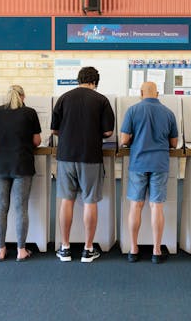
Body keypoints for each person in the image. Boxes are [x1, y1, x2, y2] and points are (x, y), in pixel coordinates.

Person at [51, 66, 115, 263]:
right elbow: (108, 133)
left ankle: (65, 248)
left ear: (78, 79)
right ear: (95, 82)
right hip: (90, 156)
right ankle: (88, 249)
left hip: (66, 156)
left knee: (66, 200)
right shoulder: (101, 100)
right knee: (90, 201)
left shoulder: (63, 98)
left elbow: (54, 130)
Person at [119, 81, 179, 264]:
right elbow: (174, 143)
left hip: (138, 163)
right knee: (156, 207)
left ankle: (133, 249)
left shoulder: (132, 111)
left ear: (141, 93)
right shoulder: (168, 113)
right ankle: (156, 251)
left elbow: (124, 140)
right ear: (158, 93)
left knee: (136, 206)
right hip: (159, 164)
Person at [0, 85, 42, 262]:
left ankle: (0, 250)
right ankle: (21, 250)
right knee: (21, 208)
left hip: (0, 164)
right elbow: (37, 140)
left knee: (1, 208)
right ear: (23, 96)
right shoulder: (30, 113)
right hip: (22, 164)